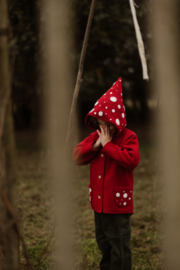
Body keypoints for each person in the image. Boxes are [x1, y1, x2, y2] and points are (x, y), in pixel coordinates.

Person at [73, 78, 140, 270]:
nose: (105, 129)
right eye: (100, 124)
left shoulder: (129, 137)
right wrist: (95, 145)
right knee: (104, 243)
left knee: (119, 244)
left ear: (118, 121)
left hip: (118, 204)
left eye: (109, 125)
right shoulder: (95, 136)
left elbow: (132, 160)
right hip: (99, 204)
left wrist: (108, 146)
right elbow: (76, 156)